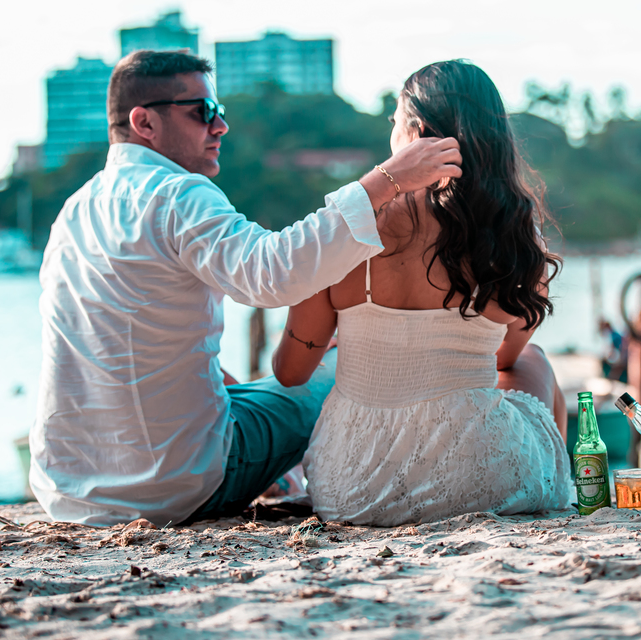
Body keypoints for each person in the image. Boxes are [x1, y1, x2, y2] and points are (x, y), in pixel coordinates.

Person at [31, 50, 461, 527]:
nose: (220, 127)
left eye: (219, 113)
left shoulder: (74, 210)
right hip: (170, 488)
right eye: (203, 112)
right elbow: (274, 273)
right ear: (144, 122)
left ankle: (277, 468)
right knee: (344, 362)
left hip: (66, 492)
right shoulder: (177, 194)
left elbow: (121, 345)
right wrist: (388, 179)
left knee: (250, 387)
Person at [273, 60, 571, 526]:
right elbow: (504, 360)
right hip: (483, 477)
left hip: (352, 489)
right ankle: (560, 492)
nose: (390, 131)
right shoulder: (512, 236)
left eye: (394, 121)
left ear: (418, 132)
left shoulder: (347, 228)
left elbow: (289, 372)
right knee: (535, 362)